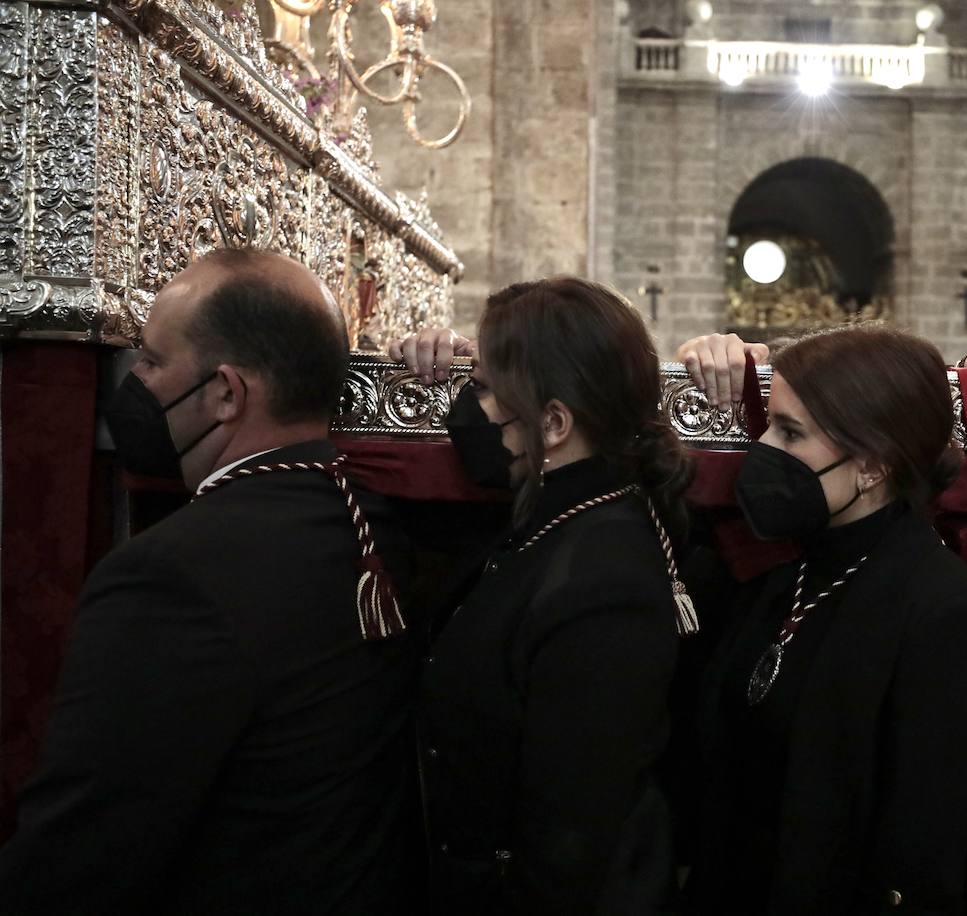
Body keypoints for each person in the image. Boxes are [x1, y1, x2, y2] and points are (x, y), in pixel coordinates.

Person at [0, 249, 422, 915]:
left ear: (226, 393)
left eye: (150, 360)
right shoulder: (382, 524)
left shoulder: (168, 577)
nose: (131, 380)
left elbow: (80, 859)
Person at [673, 325, 967, 914]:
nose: (763, 448)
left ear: (872, 465)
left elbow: (920, 852)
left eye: (790, 431)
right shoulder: (781, 572)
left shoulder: (948, 613)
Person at [392, 278, 690, 914]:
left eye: (483, 389)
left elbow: (569, 838)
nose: (470, 407)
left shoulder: (603, 575)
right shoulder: (555, 517)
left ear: (552, 423)